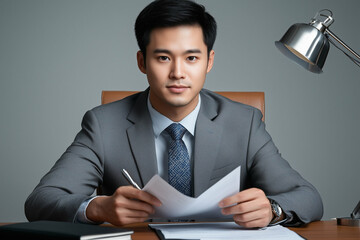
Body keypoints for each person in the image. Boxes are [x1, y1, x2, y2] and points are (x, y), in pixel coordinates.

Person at [25, 0, 323, 228]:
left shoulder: (244, 123)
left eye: (191, 58)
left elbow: (308, 197)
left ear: (209, 62)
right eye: (163, 57)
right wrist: (97, 209)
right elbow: (40, 201)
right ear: (142, 62)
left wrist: (272, 209)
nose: (178, 73)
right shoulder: (103, 124)